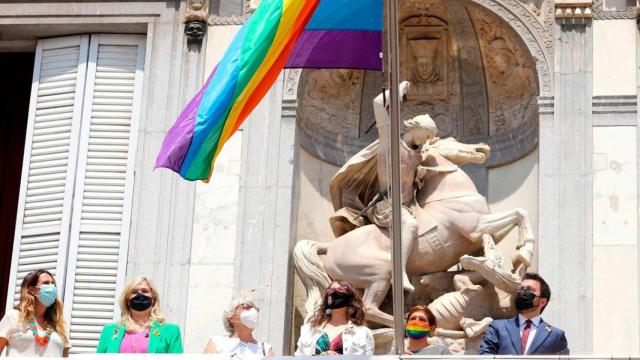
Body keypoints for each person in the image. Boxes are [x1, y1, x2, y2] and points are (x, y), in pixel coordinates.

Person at [478, 272, 569, 355]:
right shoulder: (497, 327)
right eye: (521, 289)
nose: (523, 293)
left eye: (529, 290)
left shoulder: (556, 335)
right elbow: (485, 356)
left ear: (542, 302)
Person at [96, 276, 183, 353]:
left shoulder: (171, 331)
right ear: (127, 300)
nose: (140, 294)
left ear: (153, 299)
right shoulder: (109, 331)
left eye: (144, 291)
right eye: (134, 292)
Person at [0, 269, 70, 357]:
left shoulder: (59, 325)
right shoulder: (14, 316)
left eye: (53, 283)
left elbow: (65, 356)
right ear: (31, 290)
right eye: (46, 283)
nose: (52, 287)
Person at [294, 281, 374, 356]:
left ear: (349, 298)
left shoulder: (363, 333)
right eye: (331, 290)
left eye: (340, 289)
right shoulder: (309, 330)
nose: (334, 293)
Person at [203, 299, 274, 358]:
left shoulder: (266, 349)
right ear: (231, 318)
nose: (253, 311)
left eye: (254, 309)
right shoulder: (216, 342)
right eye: (246, 307)